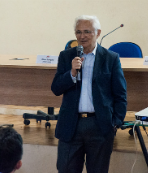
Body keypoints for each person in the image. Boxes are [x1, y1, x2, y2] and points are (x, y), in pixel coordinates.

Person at [51, 15, 127, 173]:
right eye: (78, 32)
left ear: (98, 33)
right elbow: (56, 88)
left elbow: (120, 95)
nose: (82, 36)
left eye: (87, 32)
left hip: (99, 126)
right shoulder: (66, 56)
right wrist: (71, 72)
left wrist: (115, 122)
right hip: (71, 125)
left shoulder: (111, 59)